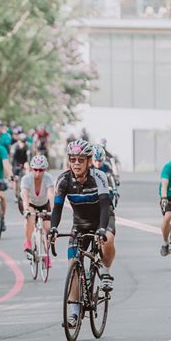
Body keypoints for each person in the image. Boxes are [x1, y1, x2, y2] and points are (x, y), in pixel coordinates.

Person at [50, 139, 116, 328]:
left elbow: (104, 204)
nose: (76, 163)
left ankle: (105, 271)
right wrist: (53, 228)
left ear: (89, 161)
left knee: (108, 240)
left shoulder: (99, 176)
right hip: (79, 224)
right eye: (73, 159)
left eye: (81, 159)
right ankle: (73, 313)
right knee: (72, 264)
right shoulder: (63, 180)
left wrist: (102, 230)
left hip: (103, 219)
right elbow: (57, 208)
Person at [21, 154, 54, 259]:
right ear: (31, 169)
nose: (38, 173)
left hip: (44, 204)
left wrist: (53, 210)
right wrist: (26, 210)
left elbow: (51, 196)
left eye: (41, 170)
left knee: (48, 228)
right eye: (35, 169)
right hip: (30, 204)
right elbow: (25, 197)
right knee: (30, 217)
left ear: (45, 169)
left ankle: (46, 255)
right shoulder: (26, 179)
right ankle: (28, 242)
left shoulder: (48, 178)